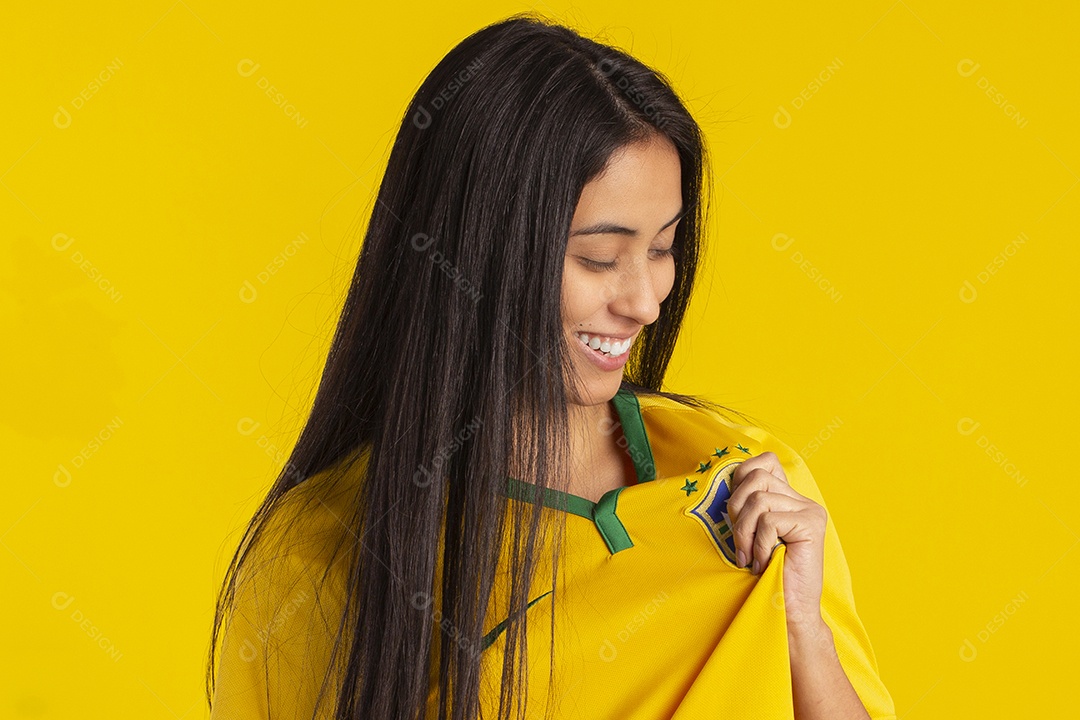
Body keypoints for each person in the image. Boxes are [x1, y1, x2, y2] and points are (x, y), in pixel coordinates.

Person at [206, 12, 896, 720]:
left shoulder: (751, 482)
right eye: (599, 257)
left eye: (662, 249)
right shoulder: (320, 557)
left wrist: (802, 629)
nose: (646, 302)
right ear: (476, 252)